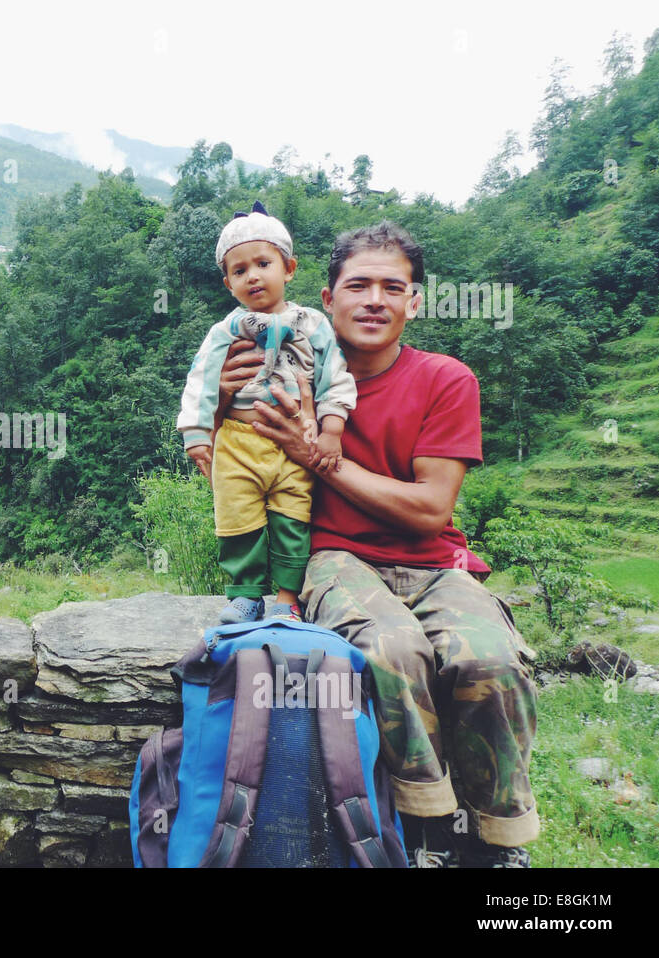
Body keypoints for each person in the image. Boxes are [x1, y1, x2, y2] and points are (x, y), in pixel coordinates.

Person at [228, 221, 539, 867]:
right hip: (333, 556)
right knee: (392, 648)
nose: (375, 299)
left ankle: (497, 840)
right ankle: (426, 826)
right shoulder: (286, 374)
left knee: (490, 662)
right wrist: (230, 402)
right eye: (358, 285)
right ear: (326, 297)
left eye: (392, 287)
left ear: (414, 302)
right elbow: (237, 474)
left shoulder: (446, 379)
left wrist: (317, 456)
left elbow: (430, 510)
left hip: (436, 562)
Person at [178, 201, 355, 624]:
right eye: (239, 271)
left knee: (292, 517)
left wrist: (332, 431)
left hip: (297, 440)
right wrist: (198, 434)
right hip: (238, 440)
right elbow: (201, 380)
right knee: (238, 518)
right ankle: (245, 595)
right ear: (228, 283)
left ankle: (287, 598)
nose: (252, 275)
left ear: (289, 268)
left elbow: (335, 377)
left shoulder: (312, 324)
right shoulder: (225, 331)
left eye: (263, 263)